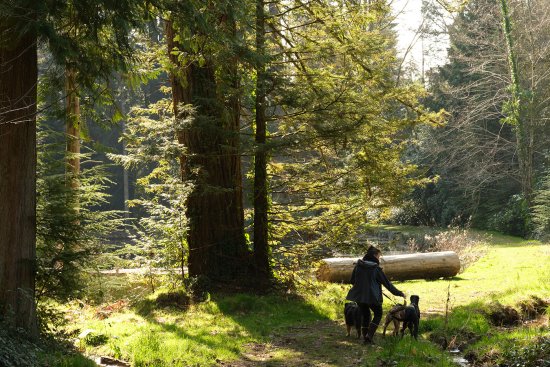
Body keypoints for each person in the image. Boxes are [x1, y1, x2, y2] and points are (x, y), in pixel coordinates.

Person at [346, 245, 405, 344]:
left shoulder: (358, 266)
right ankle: (369, 337)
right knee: (378, 314)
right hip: (372, 297)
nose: (379, 259)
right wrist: (399, 293)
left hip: (359, 296)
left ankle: (365, 338)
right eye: (378, 256)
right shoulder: (376, 269)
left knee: (365, 315)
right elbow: (387, 284)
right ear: (374, 255)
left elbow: (352, 281)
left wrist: (365, 285)